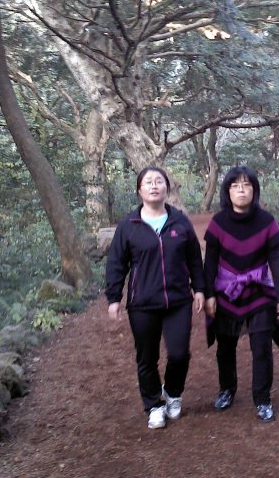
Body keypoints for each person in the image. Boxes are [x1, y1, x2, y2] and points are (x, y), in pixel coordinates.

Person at [105, 166, 205, 430]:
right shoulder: (128, 225)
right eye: (148, 182)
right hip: (142, 303)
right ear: (139, 190)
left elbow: (194, 258)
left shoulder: (180, 222)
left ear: (166, 188)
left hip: (178, 300)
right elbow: (116, 263)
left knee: (179, 353)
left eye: (159, 181)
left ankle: (172, 392)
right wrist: (114, 297)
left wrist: (199, 288)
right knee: (147, 358)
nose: (153, 186)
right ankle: (154, 405)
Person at [203, 166, 279, 422]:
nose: (241, 190)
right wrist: (209, 295)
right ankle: (227, 390)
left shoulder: (267, 222)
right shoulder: (218, 223)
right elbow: (210, 261)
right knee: (225, 347)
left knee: (261, 347)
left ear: (254, 190)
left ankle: (262, 399)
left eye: (247, 184)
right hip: (226, 292)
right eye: (235, 185)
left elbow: (276, 260)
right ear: (227, 191)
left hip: (259, 292)